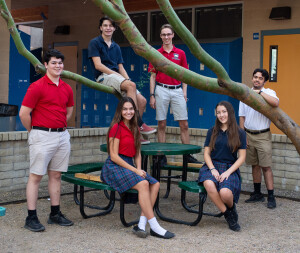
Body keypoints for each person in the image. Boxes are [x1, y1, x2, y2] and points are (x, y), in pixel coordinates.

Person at [100, 97, 175, 239]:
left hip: (129, 164)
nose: (128, 112)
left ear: (135, 111)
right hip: (114, 166)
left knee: (155, 184)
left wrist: (139, 169)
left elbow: (137, 153)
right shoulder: (116, 127)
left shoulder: (135, 128)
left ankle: (141, 224)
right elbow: (114, 156)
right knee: (143, 184)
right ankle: (154, 226)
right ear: (120, 111)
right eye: (125, 109)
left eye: (131, 109)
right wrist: (135, 171)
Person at [19, 49, 74, 232]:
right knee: (35, 176)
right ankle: (31, 217)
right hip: (42, 135)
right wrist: (33, 131)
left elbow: (69, 110)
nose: (58, 66)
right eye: (54, 63)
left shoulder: (66, 87)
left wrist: (60, 127)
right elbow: (24, 113)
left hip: (62, 136)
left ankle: (55, 214)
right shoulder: (37, 86)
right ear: (45, 65)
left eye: (60, 62)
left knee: (56, 175)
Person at [88, 17, 156, 144]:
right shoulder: (95, 43)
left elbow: (121, 67)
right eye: (105, 25)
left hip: (116, 76)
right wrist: (119, 77)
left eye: (111, 26)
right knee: (130, 86)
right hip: (103, 76)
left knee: (142, 101)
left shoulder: (116, 47)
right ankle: (137, 125)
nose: (108, 28)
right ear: (100, 28)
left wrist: (127, 80)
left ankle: (134, 132)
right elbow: (98, 65)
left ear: (114, 28)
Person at [149, 24, 200, 164]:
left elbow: (185, 75)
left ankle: (187, 155)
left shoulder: (181, 53)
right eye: (163, 34)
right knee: (161, 123)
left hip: (177, 89)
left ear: (172, 35)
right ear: (160, 36)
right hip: (161, 89)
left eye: (168, 34)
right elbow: (152, 76)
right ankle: (161, 155)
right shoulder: (156, 53)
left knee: (184, 124)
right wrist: (151, 95)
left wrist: (184, 93)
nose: (166, 37)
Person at [198, 101, 246, 232]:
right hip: (212, 165)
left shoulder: (240, 133)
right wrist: (212, 169)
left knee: (225, 193)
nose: (221, 115)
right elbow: (206, 154)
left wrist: (228, 172)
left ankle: (231, 207)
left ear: (230, 112)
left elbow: (242, 157)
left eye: (224, 112)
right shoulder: (212, 131)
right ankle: (228, 214)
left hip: (230, 167)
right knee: (208, 183)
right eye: (218, 112)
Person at [239, 68, 279, 209]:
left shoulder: (269, 92)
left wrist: (260, 93)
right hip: (249, 134)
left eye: (260, 78)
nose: (257, 80)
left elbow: (275, 103)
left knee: (266, 166)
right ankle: (257, 194)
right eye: (255, 77)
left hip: (263, 135)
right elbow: (242, 117)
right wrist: (243, 136)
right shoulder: (245, 94)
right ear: (252, 78)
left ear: (264, 81)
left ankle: (271, 196)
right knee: (254, 165)